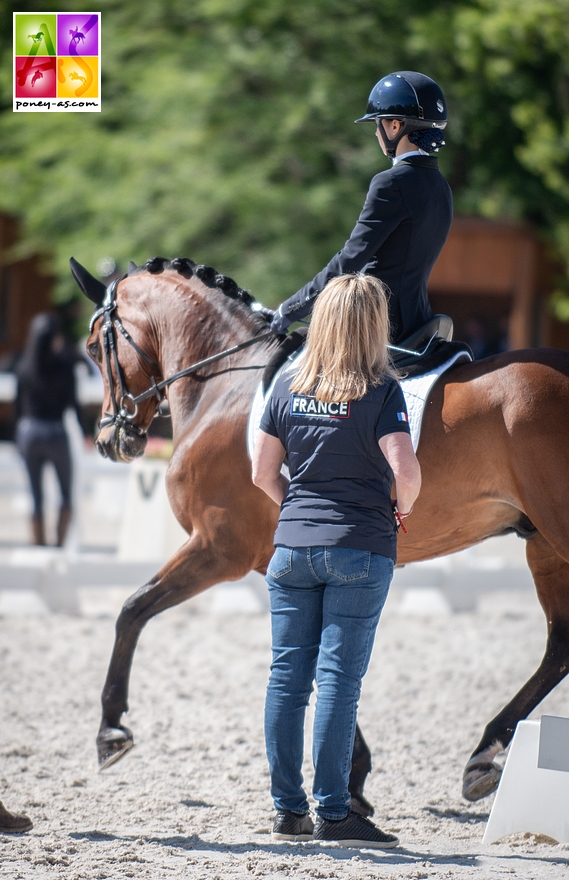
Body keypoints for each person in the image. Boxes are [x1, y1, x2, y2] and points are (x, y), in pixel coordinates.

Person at [253, 274, 422, 847]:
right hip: (359, 546)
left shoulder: (285, 387)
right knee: (338, 684)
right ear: (374, 326)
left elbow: (261, 473)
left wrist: (298, 510)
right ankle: (333, 811)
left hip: (292, 550)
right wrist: (398, 512)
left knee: (286, 680)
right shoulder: (380, 391)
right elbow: (406, 473)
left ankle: (287, 810)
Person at [270, 71, 452, 345]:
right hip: (421, 322)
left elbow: (350, 260)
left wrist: (294, 307)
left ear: (394, 126)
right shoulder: (441, 185)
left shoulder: (391, 182)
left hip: (379, 326)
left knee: (291, 378)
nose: (376, 133)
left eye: (377, 125)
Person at [15, 312, 82, 547]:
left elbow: (18, 407)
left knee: (36, 496)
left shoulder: (24, 367)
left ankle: (38, 543)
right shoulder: (65, 368)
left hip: (29, 432)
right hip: (55, 432)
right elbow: (74, 405)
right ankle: (58, 544)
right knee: (65, 493)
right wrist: (85, 434)